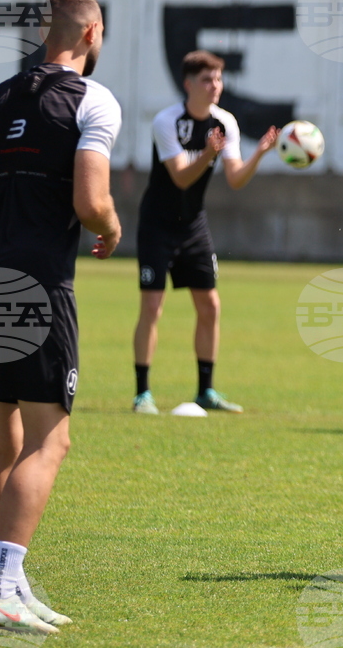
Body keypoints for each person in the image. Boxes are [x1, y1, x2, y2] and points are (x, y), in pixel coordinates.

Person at [0, 0, 122, 631]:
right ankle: (1, 578)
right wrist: (112, 227)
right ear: (92, 34)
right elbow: (89, 199)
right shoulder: (93, 100)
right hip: (43, 285)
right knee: (52, 437)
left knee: (5, 432)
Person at [131, 50, 279, 415]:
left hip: (193, 225)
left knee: (210, 305)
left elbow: (235, 179)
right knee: (153, 306)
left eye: (218, 79)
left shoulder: (224, 122)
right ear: (188, 84)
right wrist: (208, 155)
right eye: (207, 80)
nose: (216, 86)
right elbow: (181, 176)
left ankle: (206, 391)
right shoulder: (167, 121)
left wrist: (258, 154)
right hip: (157, 224)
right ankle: (142, 394)